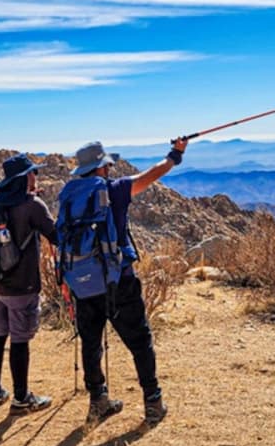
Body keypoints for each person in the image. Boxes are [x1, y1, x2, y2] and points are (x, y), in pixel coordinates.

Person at [62, 136, 188, 426]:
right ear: (103, 168)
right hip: (119, 281)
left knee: (91, 343)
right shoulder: (114, 190)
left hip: (82, 283)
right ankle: (153, 403)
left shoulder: (68, 196)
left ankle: (98, 401)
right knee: (140, 341)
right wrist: (175, 155)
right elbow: (152, 175)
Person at [0, 153, 57, 412]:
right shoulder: (32, 205)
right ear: (25, 177)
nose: (37, 177)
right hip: (21, 285)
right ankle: (22, 398)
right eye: (34, 173)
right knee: (20, 338)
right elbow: (56, 235)